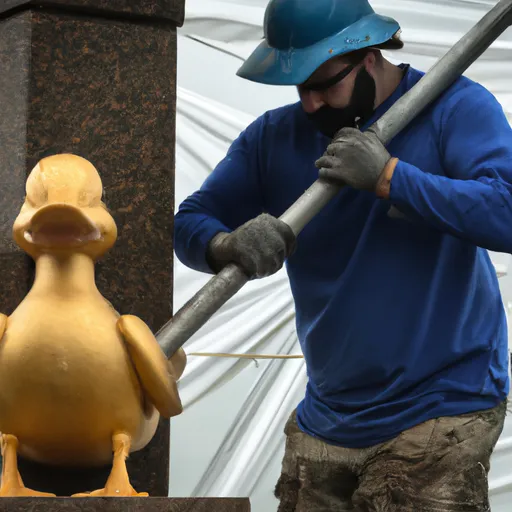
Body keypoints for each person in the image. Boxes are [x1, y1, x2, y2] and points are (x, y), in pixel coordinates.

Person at [174, 0, 512, 509]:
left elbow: (506, 211)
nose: (310, 104)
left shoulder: (454, 108)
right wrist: (225, 242)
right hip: (330, 412)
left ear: (369, 57)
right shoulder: (272, 138)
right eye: (300, 87)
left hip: (443, 404)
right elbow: (190, 220)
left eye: (323, 83)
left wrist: (390, 178)